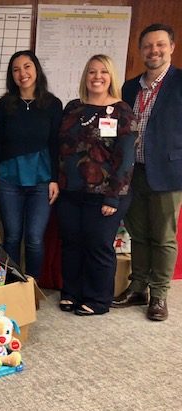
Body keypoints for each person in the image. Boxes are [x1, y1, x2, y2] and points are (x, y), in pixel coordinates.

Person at [112, 23, 182, 322]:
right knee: (138, 233)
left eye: (160, 45)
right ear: (140, 51)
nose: (154, 50)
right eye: (148, 46)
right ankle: (138, 286)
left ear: (171, 48)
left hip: (168, 171)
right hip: (133, 171)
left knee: (164, 236)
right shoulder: (129, 87)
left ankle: (159, 294)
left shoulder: (179, 82)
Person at [57, 54, 136, 316]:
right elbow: (61, 149)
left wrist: (113, 197)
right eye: (91, 72)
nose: (97, 77)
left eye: (103, 72)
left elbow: (125, 159)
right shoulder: (73, 108)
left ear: (111, 76)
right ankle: (71, 292)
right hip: (70, 190)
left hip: (106, 194)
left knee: (98, 245)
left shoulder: (122, 111)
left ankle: (98, 299)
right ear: (85, 76)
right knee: (71, 243)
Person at [0, 50, 63, 279]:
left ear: (36, 69)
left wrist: (54, 179)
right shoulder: (4, 105)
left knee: (34, 238)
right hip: (9, 178)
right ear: (11, 75)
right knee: (11, 236)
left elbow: (55, 144)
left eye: (27, 66)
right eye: (16, 69)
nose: (22, 73)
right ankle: (11, 283)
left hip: (41, 179)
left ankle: (32, 287)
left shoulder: (52, 104)